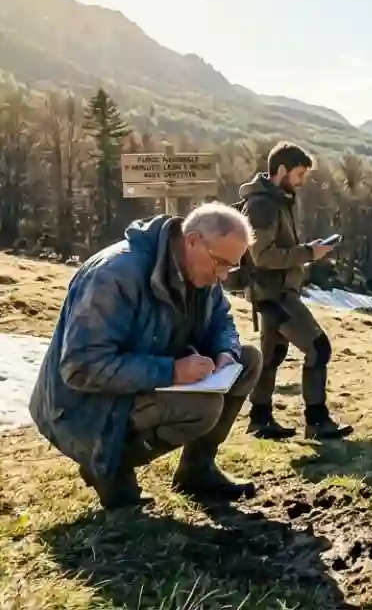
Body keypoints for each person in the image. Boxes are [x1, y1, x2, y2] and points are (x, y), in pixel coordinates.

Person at [28, 202, 263, 511]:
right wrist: (172, 372)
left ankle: (197, 470)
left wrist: (226, 353)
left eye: (230, 267)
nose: (222, 276)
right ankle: (107, 466)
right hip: (81, 409)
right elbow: (81, 367)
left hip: (139, 381)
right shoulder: (114, 275)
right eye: (220, 263)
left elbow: (222, 322)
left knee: (247, 361)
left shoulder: (201, 272)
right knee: (204, 406)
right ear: (192, 240)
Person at [237, 141, 354, 441]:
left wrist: (307, 252)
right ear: (281, 170)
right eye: (299, 174)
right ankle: (316, 422)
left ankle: (260, 419)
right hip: (273, 292)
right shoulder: (263, 205)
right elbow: (262, 256)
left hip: (273, 291)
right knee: (318, 348)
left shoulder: (276, 200)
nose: (302, 181)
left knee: (273, 354)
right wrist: (308, 253)